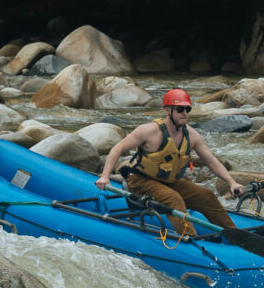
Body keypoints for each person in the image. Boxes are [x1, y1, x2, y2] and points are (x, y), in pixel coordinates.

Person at [95, 88, 244, 236]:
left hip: (168, 182)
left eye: (188, 109)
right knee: (173, 199)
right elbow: (117, 149)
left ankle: (236, 235)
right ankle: (190, 238)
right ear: (168, 110)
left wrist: (231, 182)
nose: (185, 113)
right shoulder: (148, 131)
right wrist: (105, 176)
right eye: (180, 109)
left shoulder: (192, 135)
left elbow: (211, 161)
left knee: (207, 195)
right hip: (141, 181)